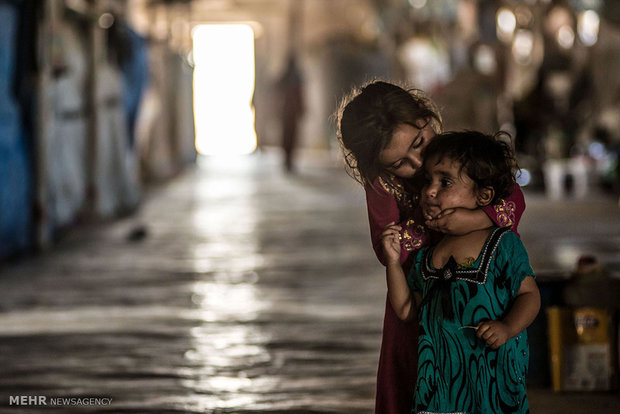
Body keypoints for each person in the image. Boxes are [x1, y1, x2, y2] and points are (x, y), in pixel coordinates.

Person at [336, 80, 526, 414]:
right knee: (417, 388)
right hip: (423, 303)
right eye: (400, 163)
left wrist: (471, 221)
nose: (418, 163)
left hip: (486, 300)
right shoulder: (382, 185)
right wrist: (433, 227)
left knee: (487, 387)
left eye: (420, 144)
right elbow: (388, 247)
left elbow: (513, 198)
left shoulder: (460, 155)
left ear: (426, 118)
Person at [381, 130, 540, 413]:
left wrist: (507, 327)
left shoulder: (503, 244)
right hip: (438, 392)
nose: (429, 190)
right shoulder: (428, 256)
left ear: (483, 195)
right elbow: (406, 310)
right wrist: (393, 263)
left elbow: (530, 295)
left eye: (445, 182)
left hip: (493, 389)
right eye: (428, 180)